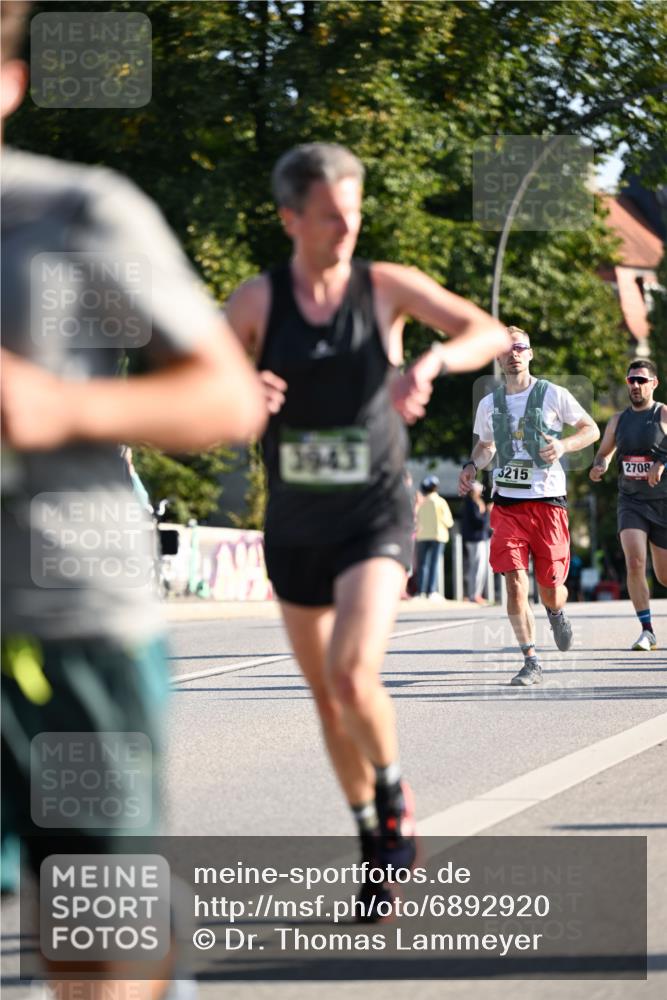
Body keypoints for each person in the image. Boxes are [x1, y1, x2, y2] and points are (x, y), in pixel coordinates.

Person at [1, 4, 266, 996]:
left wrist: (56, 402)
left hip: (67, 633)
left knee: (94, 951)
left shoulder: (68, 217)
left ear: (10, 86)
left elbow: (225, 395)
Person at [224, 142, 512, 917]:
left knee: (354, 675)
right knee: (326, 701)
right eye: (328, 218)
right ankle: (369, 839)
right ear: (290, 219)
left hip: (375, 510)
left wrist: (432, 364)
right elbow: (195, 383)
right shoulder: (256, 302)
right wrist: (240, 386)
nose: (345, 230)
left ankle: (392, 806)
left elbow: (486, 329)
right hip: (294, 519)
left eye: (353, 213)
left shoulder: (382, 286)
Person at [458, 326, 600, 686]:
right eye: (506, 349)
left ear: (530, 353)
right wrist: (472, 465)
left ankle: (556, 611)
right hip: (507, 505)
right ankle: (530, 659)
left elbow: (591, 429)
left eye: (519, 347)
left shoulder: (553, 394)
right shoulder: (489, 404)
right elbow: (486, 446)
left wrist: (565, 446)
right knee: (515, 583)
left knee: (551, 586)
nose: (513, 354)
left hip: (548, 504)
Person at [589, 358, 667, 650]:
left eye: (641, 381)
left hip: (662, 503)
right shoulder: (618, 420)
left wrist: (661, 462)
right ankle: (647, 630)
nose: (635, 385)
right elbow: (605, 453)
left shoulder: (663, 414)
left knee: (663, 575)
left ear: (654, 384)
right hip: (631, 502)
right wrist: (600, 465)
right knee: (635, 562)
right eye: (631, 380)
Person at [414, 475, 454, 599]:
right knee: (434, 563)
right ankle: (432, 591)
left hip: (422, 536)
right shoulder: (440, 501)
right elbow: (449, 521)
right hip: (438, 535)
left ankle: (420, 591)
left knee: (423, 564)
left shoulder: (420, 502)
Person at [461, 480, 491, 604]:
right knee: (477, 568)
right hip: (475, 539)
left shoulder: (474, 502)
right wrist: (488, 512)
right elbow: (479, 522)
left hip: (480, 539)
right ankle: (475, 594)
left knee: (480, 568)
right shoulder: (471, 503)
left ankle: (476, 594)